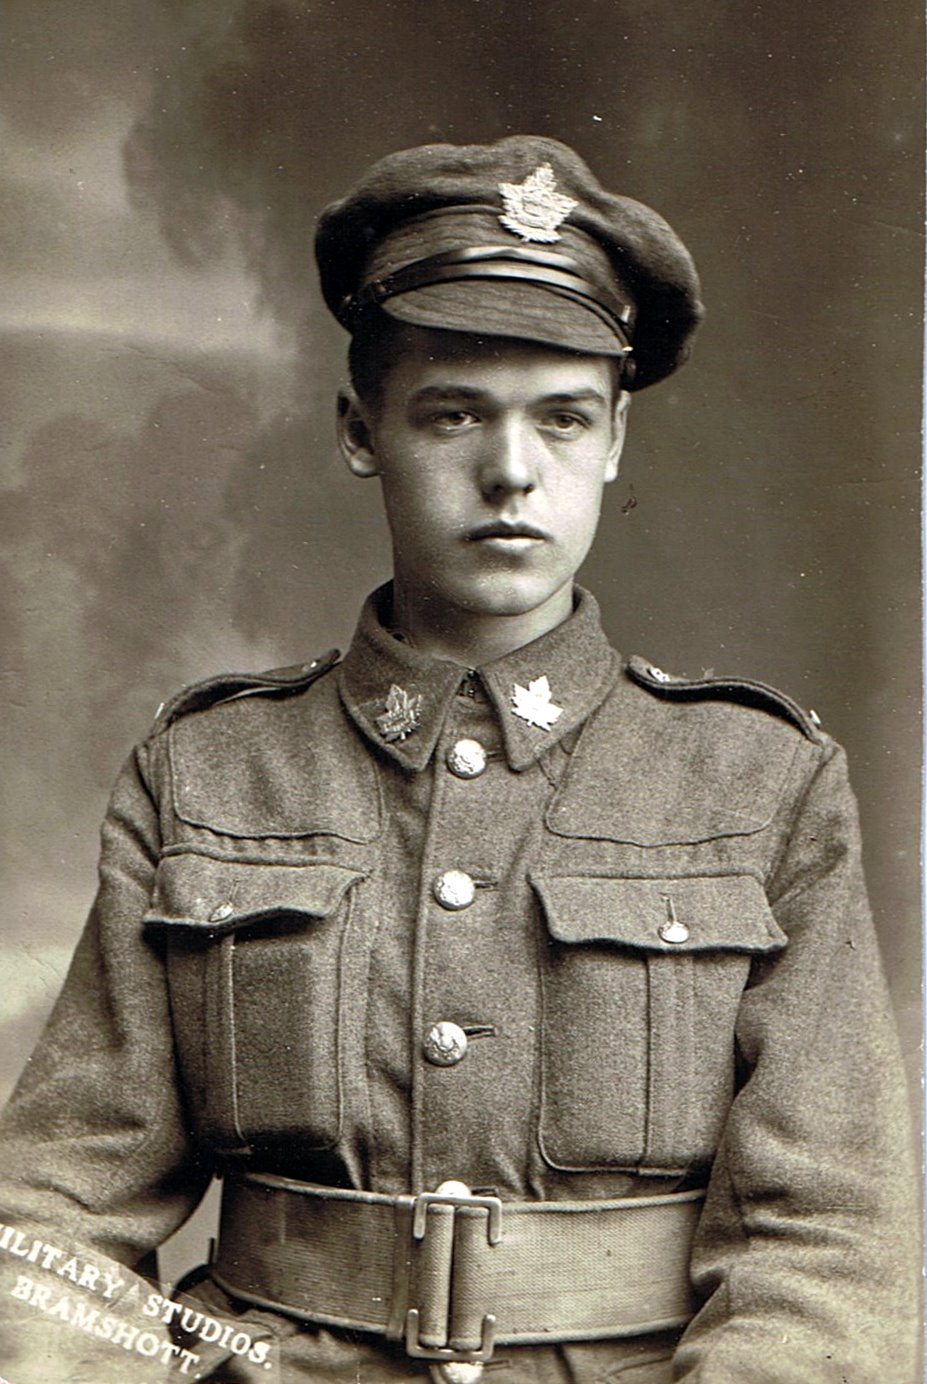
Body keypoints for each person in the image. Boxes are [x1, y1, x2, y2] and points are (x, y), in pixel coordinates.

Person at [0, 135, 917, 1384]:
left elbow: (829, 1250)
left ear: (615, 441)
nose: (512, 472)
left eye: (562, 418)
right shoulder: (208, 773)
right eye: (454, 413)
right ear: (360, 428)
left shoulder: (759, 783)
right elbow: (53, 1220)